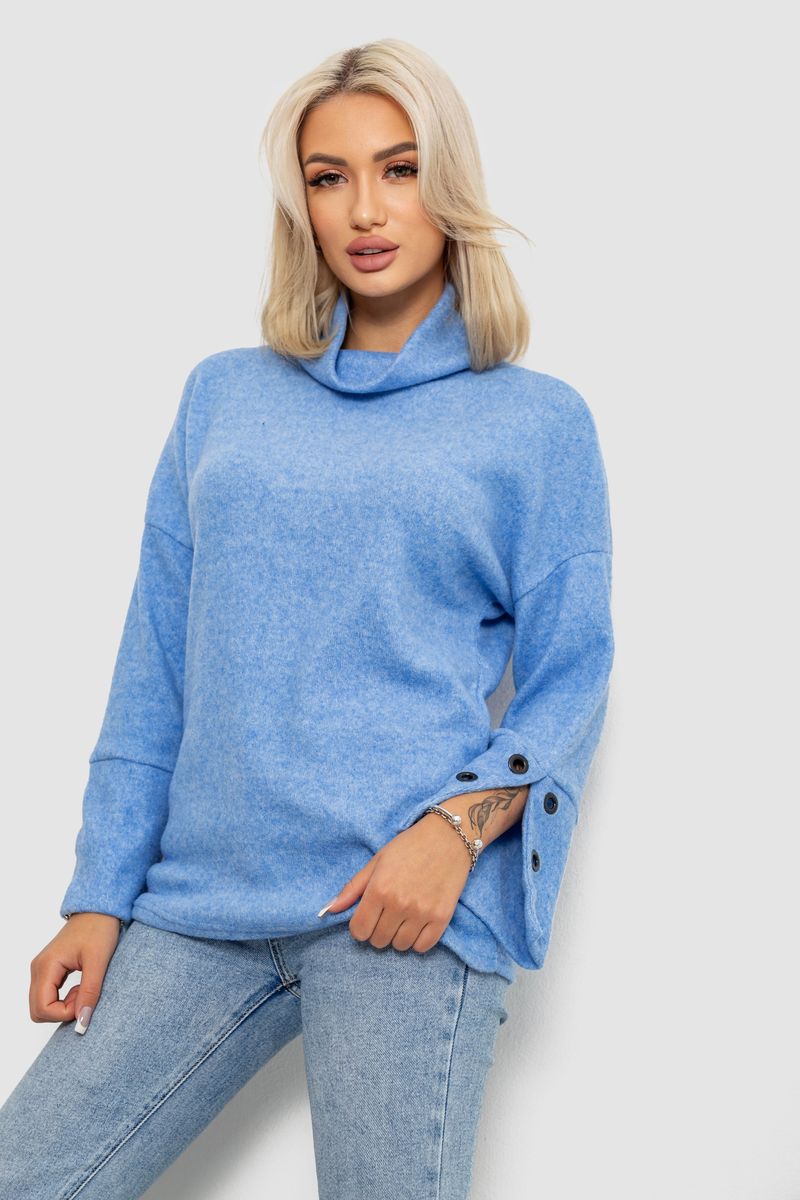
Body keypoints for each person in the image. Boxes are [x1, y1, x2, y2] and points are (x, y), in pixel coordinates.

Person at [0, 37, 615, 1200]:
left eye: (398, 168)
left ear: (447, 184)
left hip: (400, 909)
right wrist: (97, 892)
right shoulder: (223, 396)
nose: (364, 209)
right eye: (328, 178)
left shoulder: (534, 423)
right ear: (301, 203)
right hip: (199, 901)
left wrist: (451, 833)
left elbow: (571, 675)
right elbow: (156, 662)